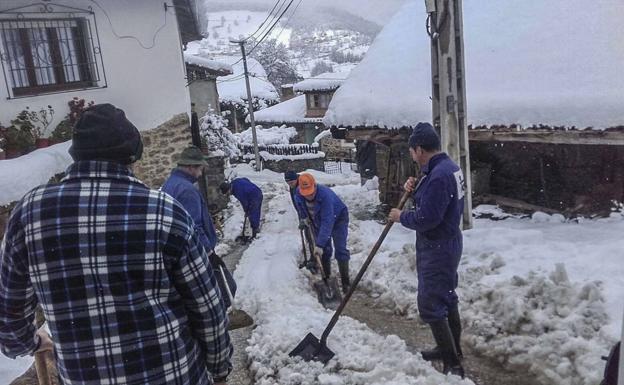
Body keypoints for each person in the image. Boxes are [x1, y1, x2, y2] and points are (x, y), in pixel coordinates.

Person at [0, 104, 232, 385]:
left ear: (76, 154)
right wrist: (219, 367)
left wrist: (31, 343)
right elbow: (207, 307)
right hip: (173, 373)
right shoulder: (164, 212)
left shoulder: (29, 215)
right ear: (133, 157)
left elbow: (9, 319)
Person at [388, 122, 465, 378]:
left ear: (419, 149)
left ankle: (453, 363)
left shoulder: (439, 176)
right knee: (447, 296)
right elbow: (434, 200)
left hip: (438, 245)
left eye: (412, 150)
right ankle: (450, 348)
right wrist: (414, 188)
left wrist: (402, 216)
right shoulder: (446, 169)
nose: (412, 154)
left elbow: (428, 218)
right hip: (447, 241)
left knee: (431, 303)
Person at [161, 146, 236, 309]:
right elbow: (194, 224)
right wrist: (208, 252)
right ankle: (220, 323)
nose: (201, 173)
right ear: (190, 167)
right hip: (196, 251)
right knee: (224, 290)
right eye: (200, 168)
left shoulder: (170, 184)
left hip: (179, 249)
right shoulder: (186, 190)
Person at [294, 173, 351, 293]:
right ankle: (327, 279)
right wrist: (304, 218)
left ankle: (346, 283)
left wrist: (319, 244)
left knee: (340, 248)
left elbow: (327, 221)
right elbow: (301, 208)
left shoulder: (325, 196)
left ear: (314, 186)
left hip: (338, 217)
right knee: (325, 249)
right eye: (306, 194)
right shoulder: (298, 194)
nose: (308, 196)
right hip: (317, 220)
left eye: (311, 193)